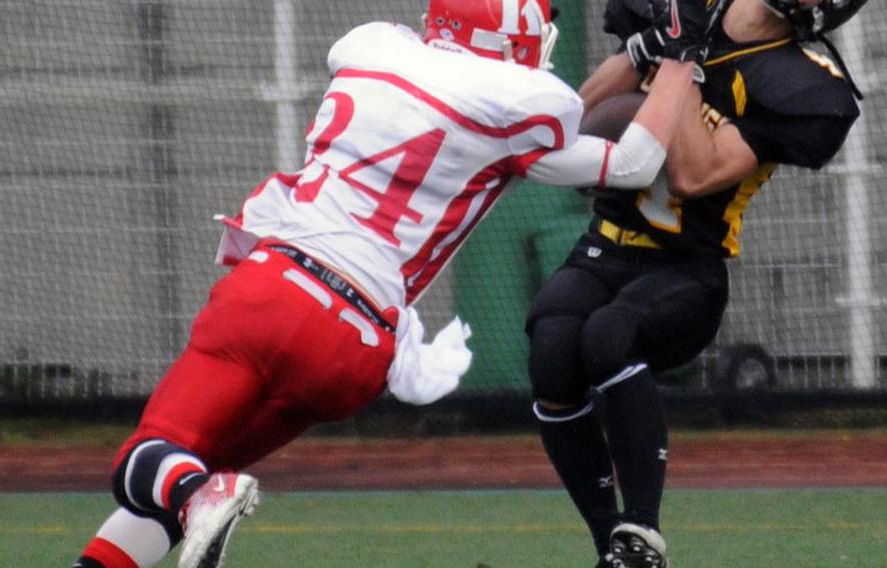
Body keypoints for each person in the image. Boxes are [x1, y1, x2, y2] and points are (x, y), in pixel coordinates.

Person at [71, 0, 708, 566]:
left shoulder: (373, 50)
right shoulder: (510, 116)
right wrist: (679, 58)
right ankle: (165, 516)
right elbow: (634, 162)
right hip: (358, 351)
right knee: (189, 469)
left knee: (146, 464)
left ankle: (201, 494)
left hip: (275, 291)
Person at [525, 0, 865, 566]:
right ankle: (612, 541)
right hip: (606, 242)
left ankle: (643, 532)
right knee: (552, 348)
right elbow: (584, 112)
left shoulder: (800, 84)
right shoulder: (686, 7)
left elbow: (693, 175)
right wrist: (641, 53)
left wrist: (680, 56)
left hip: (686, 268)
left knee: (609, 336)